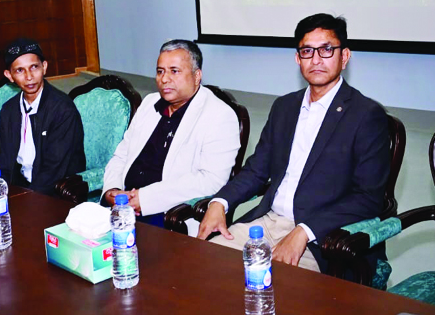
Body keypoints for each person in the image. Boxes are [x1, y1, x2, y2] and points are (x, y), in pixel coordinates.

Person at [197, 14, 389, 274]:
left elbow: (368, 198)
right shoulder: (284, 107)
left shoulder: (366, 115)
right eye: (307, 51)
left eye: (326, 50)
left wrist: (305, 231)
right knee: (203, 268)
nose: (316, 60)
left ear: (344, 57)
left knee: (273, 288)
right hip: (266, 223)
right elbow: (255, 170)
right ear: (298, 59)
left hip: (324, 240)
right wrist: (220, 202)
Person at [101, 40, 240, 228]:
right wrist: (113, 190)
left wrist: (144, 199)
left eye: (174, 71)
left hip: (168, 214)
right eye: (160, 71)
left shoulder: (219, 115)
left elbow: (211, 180)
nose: (164, 79)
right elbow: (121, 155)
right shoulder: (149, 103)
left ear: (197, 76)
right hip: (123, 205)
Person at [0, 38, 85, 195]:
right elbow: (3, 161)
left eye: (34, 67)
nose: (29, 76)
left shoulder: (62, 109)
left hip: (56, 191)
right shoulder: (9, 110)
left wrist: (27, 198)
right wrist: (2, 193)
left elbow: (54, 169)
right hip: (21, 186)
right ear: (9, 75)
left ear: (44, 67)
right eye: (20, 70)